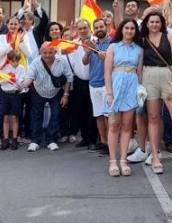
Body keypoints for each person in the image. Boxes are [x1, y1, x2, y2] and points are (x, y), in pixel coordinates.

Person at [139, 10, 172, 174]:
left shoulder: (169, 36)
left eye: (157, 22)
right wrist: (139, 84)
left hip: (168, 77)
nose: (154, 24)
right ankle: (155, 156)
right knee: (153, 117)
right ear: (146, 23)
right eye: (151, 22)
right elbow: (139, 64)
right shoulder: (142, 40)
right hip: (149, 77)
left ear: (162, 23)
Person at [104, 19, 143, 176]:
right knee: (114, 125)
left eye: (132, 28)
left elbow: (139, 73)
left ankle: (123, 160)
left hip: (131, 86)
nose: (129, 31)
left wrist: (140, 91)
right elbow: (107, 72)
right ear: (122, 29)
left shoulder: (139, 50)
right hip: (116, 84)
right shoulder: (113, 47)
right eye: (126, 28)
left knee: (127, 126)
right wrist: (109, 92)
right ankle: (113, 161)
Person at [21, 42, 72, 152]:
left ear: (55, 52)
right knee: (36, 115)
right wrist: (23, 85)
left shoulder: (62, 61)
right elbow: (29, 77)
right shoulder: (35, 63)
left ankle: (51, 140)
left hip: (56, 92)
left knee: (56, 114)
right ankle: (35, 140)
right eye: (45, 53)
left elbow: (69, 78)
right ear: (40, 52)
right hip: (38, 91)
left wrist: (66, 95)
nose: (48, 55)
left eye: (50, 52)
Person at [0, 16, 35, 146]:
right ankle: (2, 137)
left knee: (16, 112)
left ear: (19, 25)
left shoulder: (25, 37)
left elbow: (29, 54)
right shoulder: (1, 38)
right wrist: (11, 42)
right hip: (4, 76)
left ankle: (16, 136)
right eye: (11, 24)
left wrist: (21, 41)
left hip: (19, 76)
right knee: (3, 112)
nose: (13, 26)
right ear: (7, 25)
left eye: (15, 24)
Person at [63, 19, 98, 149]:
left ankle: (93, 140)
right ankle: (84, 138)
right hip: (79, 81)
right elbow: (61, 53)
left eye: (85, 28)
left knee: (92, 112)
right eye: (80, 28)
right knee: (80, 111)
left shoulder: (96, 42)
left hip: (93, 81)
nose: (83, 30)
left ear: (90, 28)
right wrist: (71, 37)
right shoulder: (74, 44)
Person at [83, 18, 113, 154]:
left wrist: (94, 49)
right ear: (94, 30)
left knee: (108, 116)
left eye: (101, 26)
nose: (99, 29)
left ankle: (110, 142)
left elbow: (107, 58)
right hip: (93, 84)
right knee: (99, 115)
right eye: (96, 27)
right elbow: (84, 62)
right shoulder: (93, 43)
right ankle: (103, 142)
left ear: (106, 27)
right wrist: (87, 52)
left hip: (106, 84)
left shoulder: (112, 43)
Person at [0, 49, 25, 150]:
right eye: (13, 61)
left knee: (14, 117)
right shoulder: (4, 68)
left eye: (17, 61)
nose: (15, 63)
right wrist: (9, 78)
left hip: (15, 94)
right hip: (5, 94)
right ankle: (6, 139)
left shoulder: (21, 68)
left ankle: (15, 139)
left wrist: (13, 80)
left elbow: (21, 82)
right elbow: (0, 81)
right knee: (6, 118)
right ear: (9, 60)